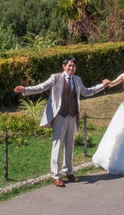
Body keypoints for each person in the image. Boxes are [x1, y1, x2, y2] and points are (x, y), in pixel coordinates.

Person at [14, 57, 105, 187]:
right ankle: (55, 175)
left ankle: (68, 171)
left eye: (73, 66)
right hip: (60, 116)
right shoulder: (55, 78)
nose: (71, 68)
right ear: (64, 66)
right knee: (57, 145)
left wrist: (103, 86)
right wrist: (26, 89)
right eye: (69, 66)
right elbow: (42, 87)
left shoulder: (77, 80)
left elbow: (87, 91)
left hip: (73, 117)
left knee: (70, 145)